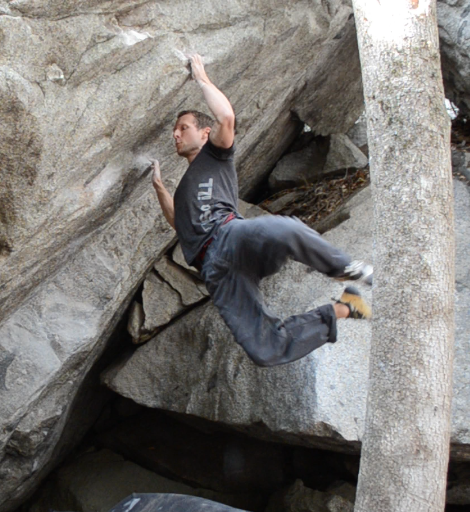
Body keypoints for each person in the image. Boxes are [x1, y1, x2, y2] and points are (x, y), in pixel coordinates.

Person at [150, 53, 373, 367]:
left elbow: (226, 118)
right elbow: (180, 225)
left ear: (204, 133)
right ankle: (346, 308)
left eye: (183, 127)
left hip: (230, 237)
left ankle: (344, 267)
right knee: (267, 350)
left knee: (285, 229)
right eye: (175, 130)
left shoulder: (215, 158)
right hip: (217, 273)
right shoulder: (184, 186)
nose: (175, 134)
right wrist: (160, 188)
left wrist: (201, 77)